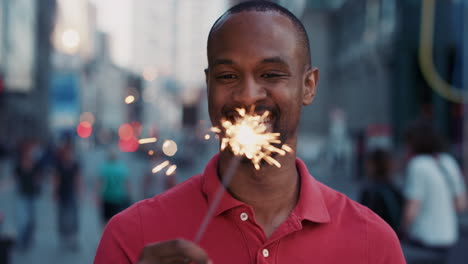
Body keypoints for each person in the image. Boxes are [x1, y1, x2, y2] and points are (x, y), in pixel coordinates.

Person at [94, 1, 405, 263]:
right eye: (228, 76)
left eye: (270, 74)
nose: (247, 95)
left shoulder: (372, 243)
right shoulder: (133, 235)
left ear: (308, 86)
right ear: (208, 86)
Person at [401, 121, 467, 263]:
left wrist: (401, 230)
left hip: (424, 239)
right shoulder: (448, 161)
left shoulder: (417, 165)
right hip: (449, 237)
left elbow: (411, 210)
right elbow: (461, 204)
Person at [359, 148, 403, 234]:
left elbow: (364, 221)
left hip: (378, 236)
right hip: (393, 235)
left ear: (373, 165)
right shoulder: (395, 188)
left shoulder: (370, 192)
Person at [53, 138, 82, 251]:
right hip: (62, 194)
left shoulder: (75, 164)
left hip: (72, 194)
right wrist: (55, 192)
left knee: (74, 216)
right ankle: (63, 237)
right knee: (62, 216)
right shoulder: (59, 165)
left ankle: (73, 238)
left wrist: (80, 192)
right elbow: (56, 179)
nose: (69, 154)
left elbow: (78, 179)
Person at [14, 139, 42, 250]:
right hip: (22, 195)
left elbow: (39, 178)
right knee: (22, 219)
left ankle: (28, 237)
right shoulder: (19, 165)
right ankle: (22, 239)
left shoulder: (35, 164)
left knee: (31, 219)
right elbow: (15, 179)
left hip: (32, 195)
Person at [96, 149, 131, 224]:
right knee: (117, 221)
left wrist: (98, 196)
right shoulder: (122, 168)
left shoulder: (104, 167)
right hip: (119, 197)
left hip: (107, 197)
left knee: (105, 221)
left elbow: (100, 183)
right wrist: (128, 195)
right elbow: (127, 183)